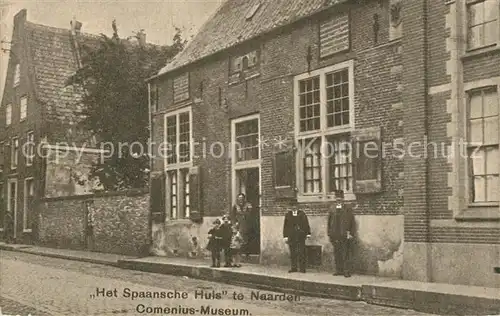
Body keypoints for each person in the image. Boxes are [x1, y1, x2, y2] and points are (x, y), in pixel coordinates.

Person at [327, 190, 355, 277]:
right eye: (337, 199)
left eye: (340, 199)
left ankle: (346, 271)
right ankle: (338, 270)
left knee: (345, 253)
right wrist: (329, 233)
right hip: (335, 234)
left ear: (343, 199)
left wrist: (351, 233)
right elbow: (329, 221)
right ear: (335, 199)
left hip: (344, 234)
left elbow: (352, 222)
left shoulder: (347, 208)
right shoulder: (332, 208)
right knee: (337, 252)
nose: (339, 200)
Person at [283, 205, 311, 273]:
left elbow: (306, 224)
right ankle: (294, 268)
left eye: (295, 206)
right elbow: (285, 226)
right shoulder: (288, 215)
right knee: (293, 253)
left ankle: (302, 268)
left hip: (300, 236)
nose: (294, 208)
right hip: (291, 236)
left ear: (297, 207)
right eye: (292, 206)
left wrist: (308, 233)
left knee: (301, 252)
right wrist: (285, 236)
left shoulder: (302, 214)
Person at [231, 193, 253, 257]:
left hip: (246, 223)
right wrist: (234, 223)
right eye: (239, 198)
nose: (240, 199)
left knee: (246, 238)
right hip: (238, 223)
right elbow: (233, 215)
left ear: (244, 199)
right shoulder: (235, 206)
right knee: (238, 238)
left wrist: (245, 214)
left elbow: (250, 214)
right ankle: (239, 253)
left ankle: (247, 253)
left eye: (242, 198)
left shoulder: (248, 205)